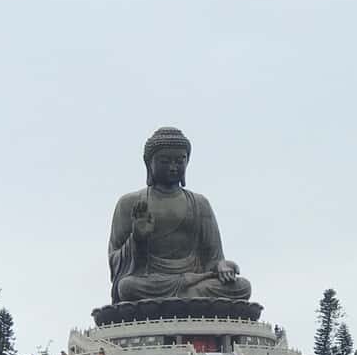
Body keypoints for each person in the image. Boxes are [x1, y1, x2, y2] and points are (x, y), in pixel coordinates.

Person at [107, 127, 252, 303]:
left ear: (187, 162)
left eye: (179, 161)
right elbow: (115, 261)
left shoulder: (200, 204)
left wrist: (222, 266)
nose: (173, 167)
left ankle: (178, 300)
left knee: (242, 287)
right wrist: (138, 238)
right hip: (152, 284)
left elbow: (214, 259)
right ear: (149, 163)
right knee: (127, 287)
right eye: (165, 161)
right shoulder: (130, 203)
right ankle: (187, 301)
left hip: (195, 281)